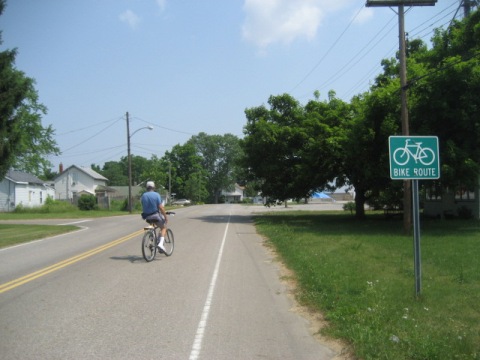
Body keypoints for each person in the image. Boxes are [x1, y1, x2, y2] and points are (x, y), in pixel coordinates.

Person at [141, 181, 168, 253]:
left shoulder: (143, 195)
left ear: (147, 187)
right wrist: (165, 216)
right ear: (154, 187)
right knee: (163, 227)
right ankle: (161, 244)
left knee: (152, 227)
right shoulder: (156, 195)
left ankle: (151, 241)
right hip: (155, 215)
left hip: (147, 216)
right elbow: (161, 207)